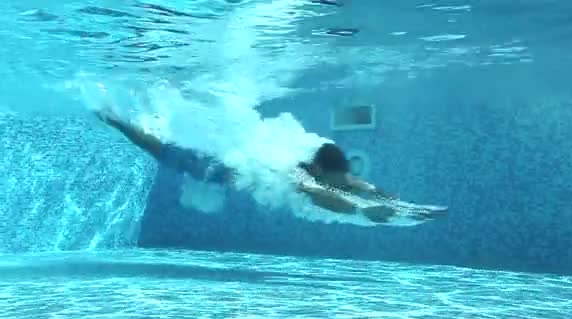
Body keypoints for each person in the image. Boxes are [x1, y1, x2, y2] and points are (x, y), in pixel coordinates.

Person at [94, 107, 446, 224]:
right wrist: (360, 212)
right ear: (321, 170)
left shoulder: (323, 164)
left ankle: (131, 117)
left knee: (161, 139)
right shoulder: (293, 171)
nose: (346, 180)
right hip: (210, 166)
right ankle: (114, 119)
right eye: (337, 178)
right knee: (156, 146)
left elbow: (354, 182)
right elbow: (318, 195)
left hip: (229, 158)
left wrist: (395, 201)